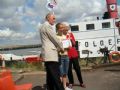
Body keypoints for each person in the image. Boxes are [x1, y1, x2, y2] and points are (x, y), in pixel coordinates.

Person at [39, 13, 64, 90]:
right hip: (51, 55)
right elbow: (54, 38)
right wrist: (61, 47)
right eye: (53, 18)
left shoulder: (41, 26)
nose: (55, 20)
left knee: (50, 78)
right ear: (48, 18)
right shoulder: (47, 26)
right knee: (56, 77)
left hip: (47, 55)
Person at [62, 22, 86, 88]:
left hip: (74, 53)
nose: (66, 30)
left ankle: (81, 82)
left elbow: (74, 44)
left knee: (77, 68)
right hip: (67, 54)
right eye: (65, 29)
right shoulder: (61, 36)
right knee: (69, 70)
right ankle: (71, 83)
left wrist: (71, 39)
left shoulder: (70, 34)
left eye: (67, 29)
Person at [56, 23, 72, 90]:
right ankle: (60, 87)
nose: (62, 29)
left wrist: (69, 47)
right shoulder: (55, 37)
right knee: (60, 73)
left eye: (63, 27)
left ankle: (65, 87)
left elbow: (70, 46)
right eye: (61, 28)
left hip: (66, 56)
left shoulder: (65, 36)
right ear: (57, 29)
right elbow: (54, 48)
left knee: (65, 73)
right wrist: (60, 48)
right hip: (59, 56)